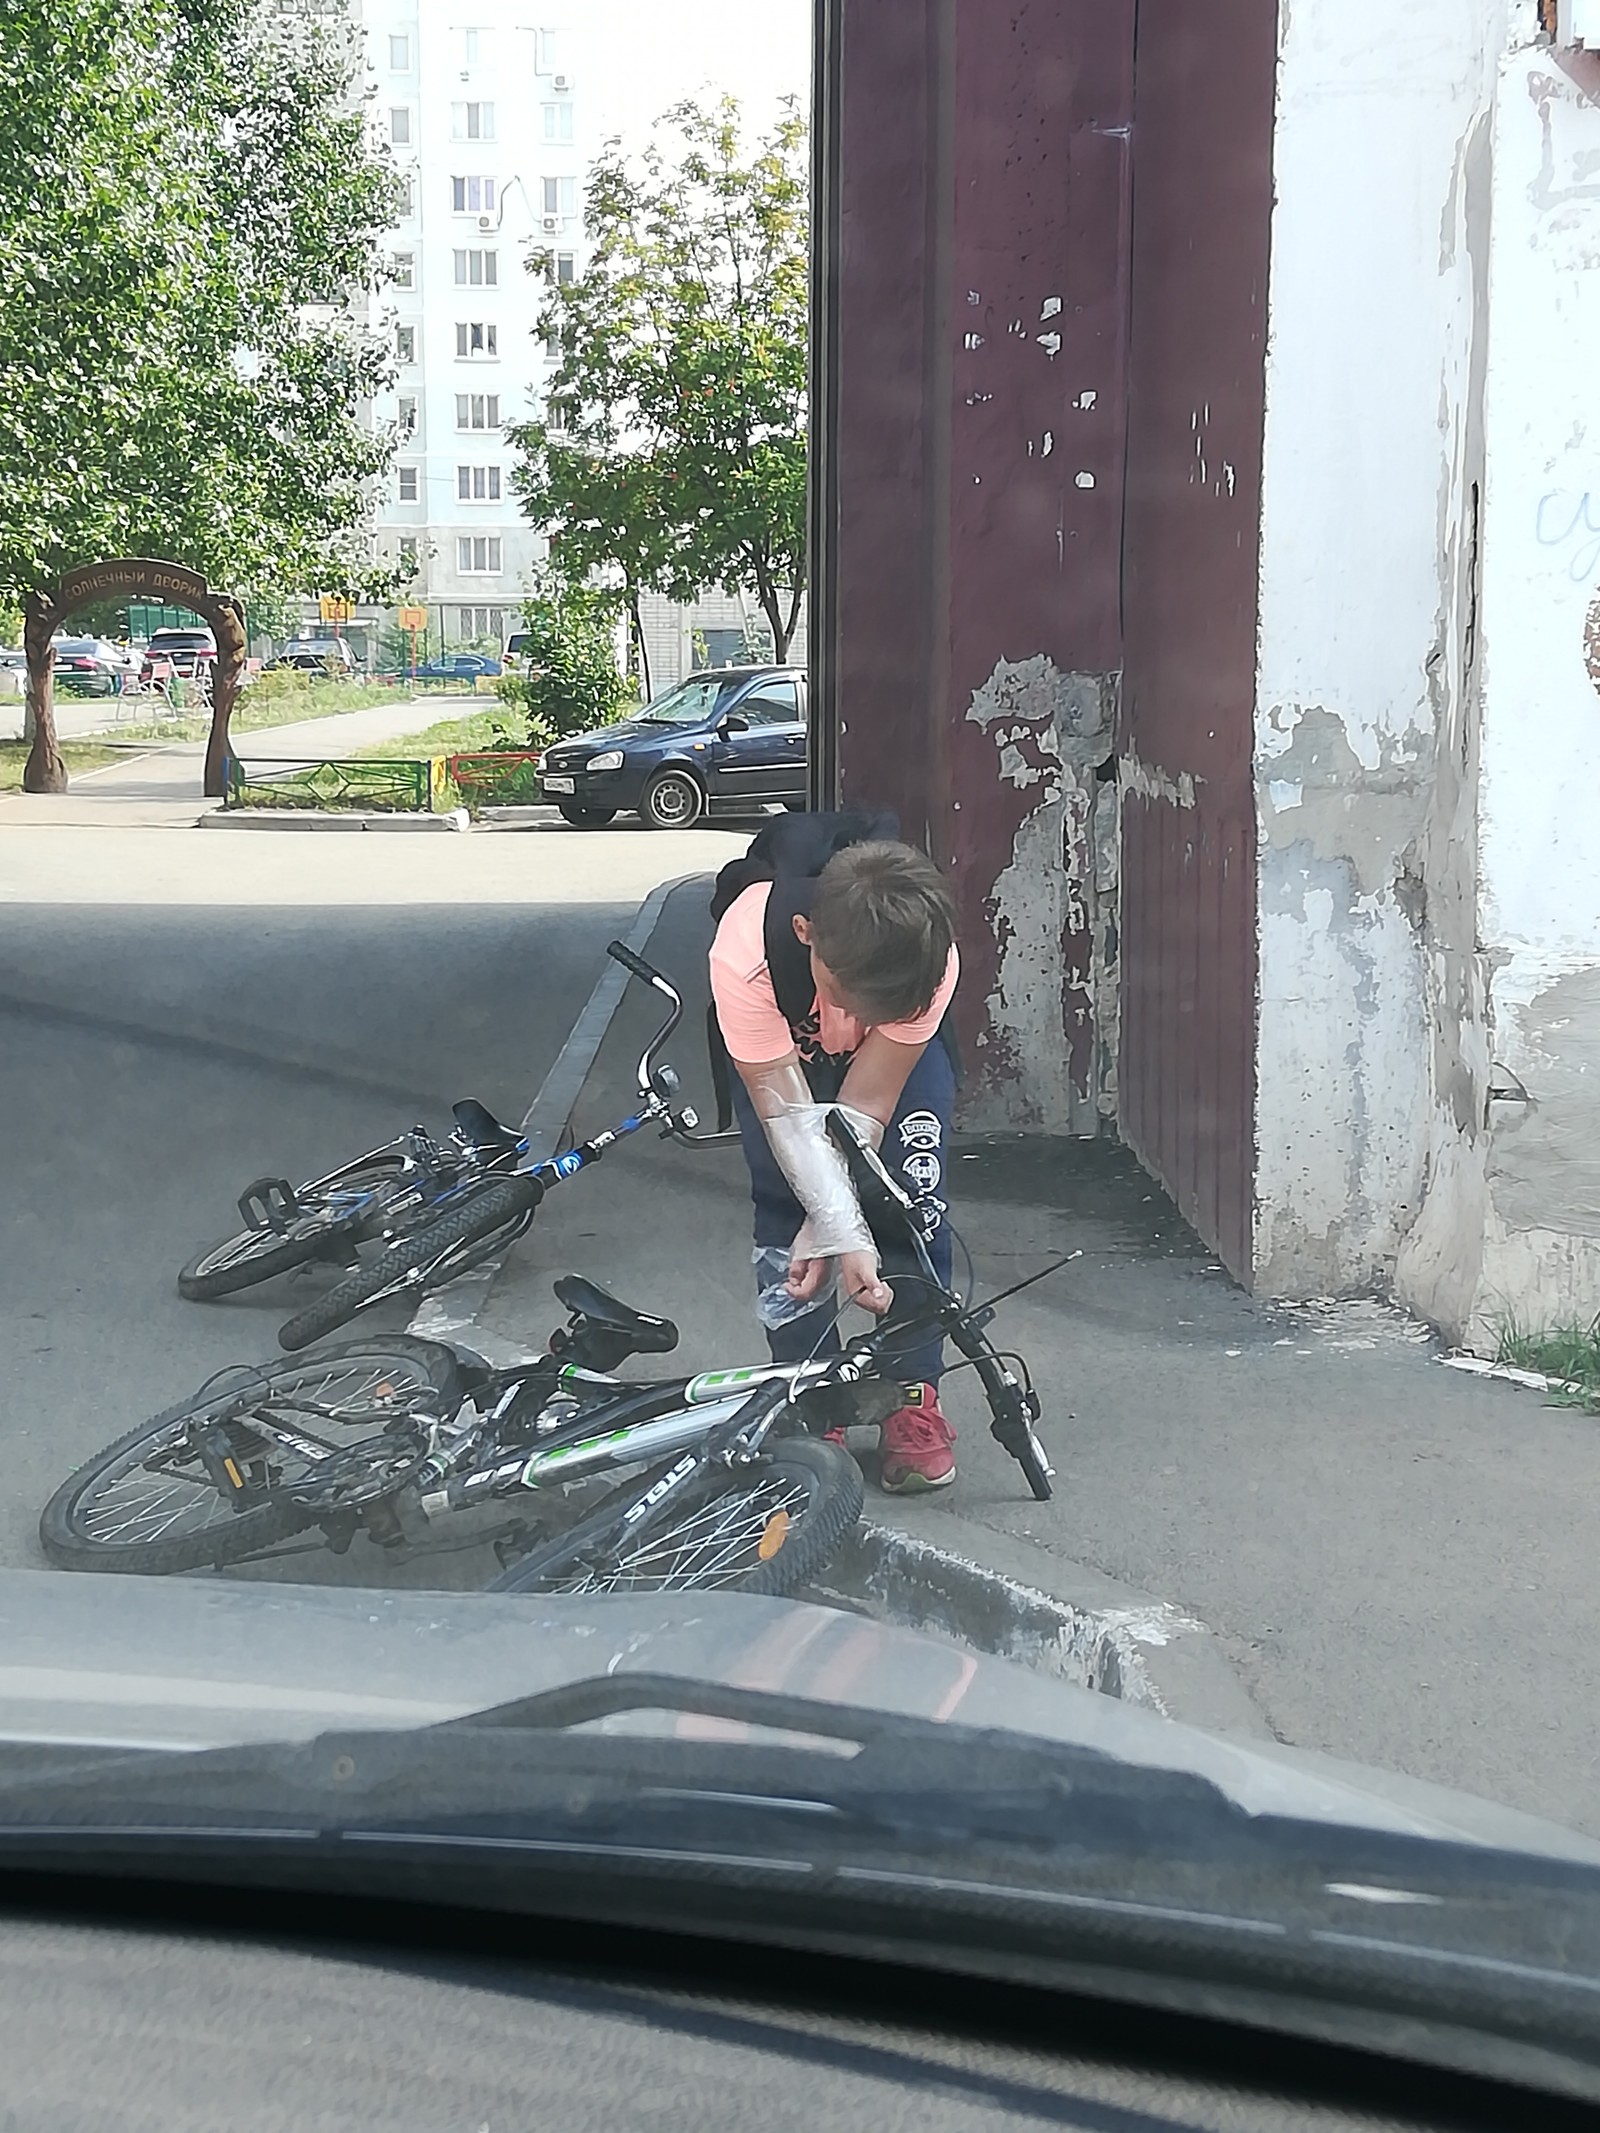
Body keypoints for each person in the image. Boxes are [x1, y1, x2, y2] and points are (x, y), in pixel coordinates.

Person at [708, 822, 961, 1493]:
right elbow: (790, 1120)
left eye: (881, 1007)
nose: (855, 1019)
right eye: (852, 999)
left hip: (888, 1069)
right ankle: (810, 1395)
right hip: (780, 1038)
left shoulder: (929, 957)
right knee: (784, 1198)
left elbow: (867, 1107)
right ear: (805, 934)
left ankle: (912, 1391)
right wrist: (825, 1220)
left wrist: (843, 1223)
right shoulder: (744, 951)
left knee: (909, 1196)